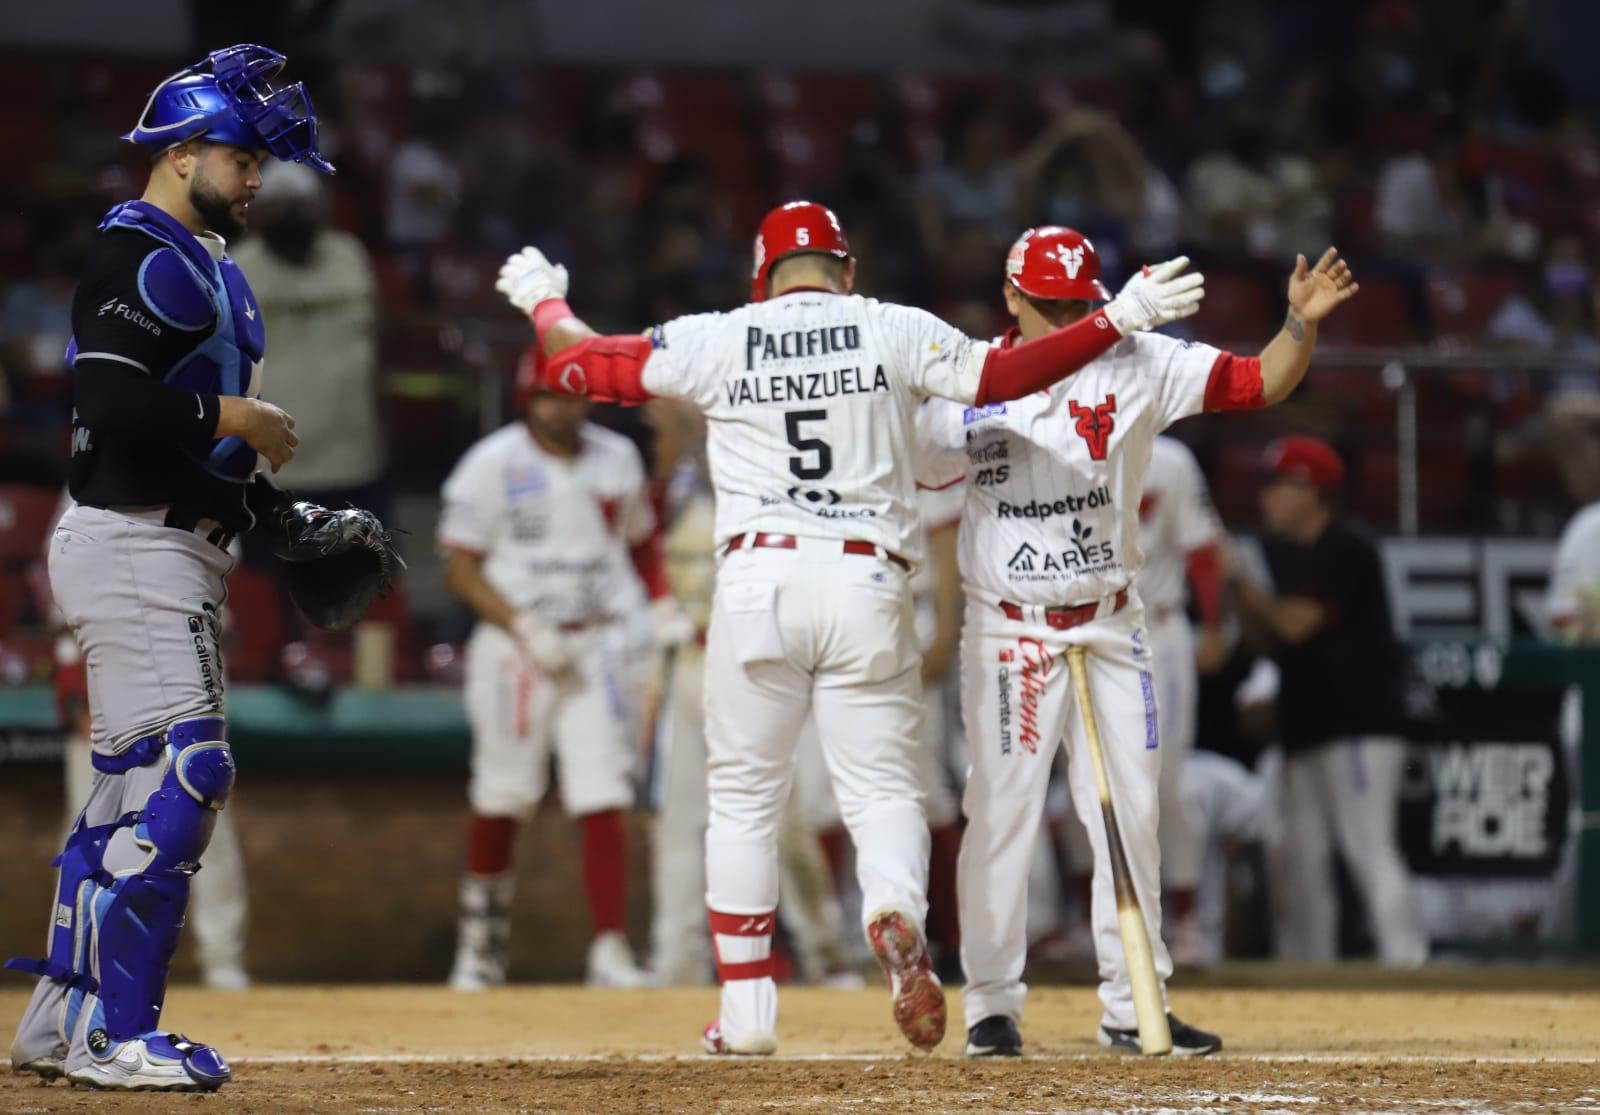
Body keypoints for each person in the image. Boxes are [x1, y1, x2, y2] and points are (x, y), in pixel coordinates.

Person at [494, 200, 1206, 1054]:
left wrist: (544, 302)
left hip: (758, 577)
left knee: (745, 802)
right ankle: (893, 905)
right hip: (868, 576)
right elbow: (1005, 379)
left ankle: (750, 1012)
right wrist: (1117, 319)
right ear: (847, 269)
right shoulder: (891, 325)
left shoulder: (722, 333)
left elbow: (580, 369)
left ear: (761, 275)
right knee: (883, 792)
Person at [914, 226, 1359, 1058]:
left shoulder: (1141, 358)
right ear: (1011, 298)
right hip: (1008, 631)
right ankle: (991, 1005)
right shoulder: (966, 379)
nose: (1066, 317)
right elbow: (922, 473)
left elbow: (1259, 381)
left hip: (1112, 621)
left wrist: (1300, 324)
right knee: (1000, 815)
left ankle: (1134, 1001)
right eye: (1049, 305)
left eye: (1079, 302)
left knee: (1134, 816)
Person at [5, 44, 344, 1092]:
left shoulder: (207, 265)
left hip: (166, 540)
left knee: (121, 792)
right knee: (188, 772)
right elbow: (107, 407)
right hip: (133, 542)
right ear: (184, 150)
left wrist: (278, 520)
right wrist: (231, 411)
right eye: (243, 161)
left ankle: (61, 1023)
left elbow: (181, 448)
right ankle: (119, 1032)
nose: (257, 182)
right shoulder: (136, 252)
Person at [438, 347, 679, 991]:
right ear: (527, 399)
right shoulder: (491, 464)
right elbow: (459, 566)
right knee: (503, 794)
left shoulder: (617, 458)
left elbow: (641, 542)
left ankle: (609, 948)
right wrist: (524, 624)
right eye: (546, 395)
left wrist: (658, 607)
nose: (558, 407)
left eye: (568, 394)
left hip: (600, 641)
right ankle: (480, 948)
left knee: (604, 793)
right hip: (516, 644)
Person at [1230, 435, 1429, 968]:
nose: (1265, 497)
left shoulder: (1348, 547)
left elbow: (1296, 624)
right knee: (1302, 862)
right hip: (1306, 728)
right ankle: (1307, 974)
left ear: (1310, 489)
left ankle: (1408, 964)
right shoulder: (1292, 556)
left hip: (1359, 728)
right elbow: (1266, 638)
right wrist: (1236, 594)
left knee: (1367, 847)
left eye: (1276, 484)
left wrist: (1244, 586)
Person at [1136, 436, 1227, 961]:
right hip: (1088, 631)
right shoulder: (1063, 439)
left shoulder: (1169, 458)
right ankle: (1089, 916)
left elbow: (1201, 546)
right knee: (1084, 784)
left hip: (1159, 629)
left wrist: (1212, 626)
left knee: (1169, 780)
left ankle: (1186, 919)